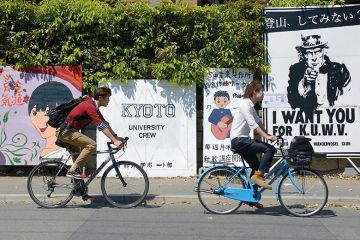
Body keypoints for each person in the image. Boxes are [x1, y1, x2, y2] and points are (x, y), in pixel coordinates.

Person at [56, 86, 123, 179]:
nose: (109, 100)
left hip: (70, 132)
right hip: (66, 132)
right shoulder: (90, 106)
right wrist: (114, 140)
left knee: (78, 165)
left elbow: (104, 123)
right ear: (100, 98)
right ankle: (71, 171)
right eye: (107, 98)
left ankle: (80, 192)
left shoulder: (94, 106)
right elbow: (101, 126)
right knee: (91, 145)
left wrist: (116, 137)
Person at [287, 34, 351, 115]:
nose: (314, 57)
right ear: (304, 55)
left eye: (317, 52)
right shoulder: (296, 70)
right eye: (309, 53)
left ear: (324, 51)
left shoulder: (339, 69)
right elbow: (292, 101)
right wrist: (304, 83)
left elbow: (348, 98)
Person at [230, 80, 277, 190]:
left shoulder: (250, 106)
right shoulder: (245, 104)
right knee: (270, 149)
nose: (263, 94)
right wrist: (267, 137)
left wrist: (269, 134)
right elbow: (253, 126)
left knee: (256, 167)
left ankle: (250, 196)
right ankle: (259, 176)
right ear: (255, 92)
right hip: (240, 140)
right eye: (262, 91)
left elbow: (258, 122)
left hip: (242, 141)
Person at [28, 81, 74, 158]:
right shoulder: (38, 152)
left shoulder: (62, 153)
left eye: (48, 113)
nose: (40, 121)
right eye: (34, 113)